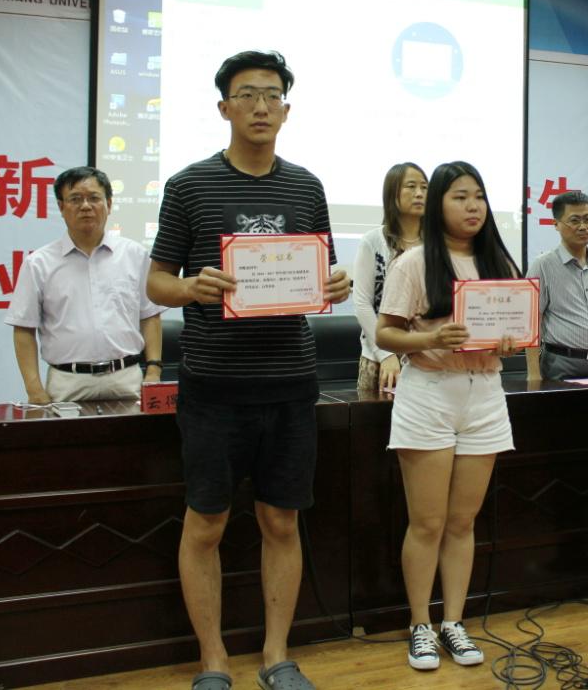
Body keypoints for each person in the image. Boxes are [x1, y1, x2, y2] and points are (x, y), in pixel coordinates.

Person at [147, 50, 350, 690]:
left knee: (281, 521)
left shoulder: (306, 187)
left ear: (286, 110)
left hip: (290, 382)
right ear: (224, 107)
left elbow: (322, 273)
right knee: (206, 523)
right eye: (247, 95)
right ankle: (213, 660)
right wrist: (191, 288)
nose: (261, 106)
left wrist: (337, 285)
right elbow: (156, 281)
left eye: (271, 95)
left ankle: (275, 655)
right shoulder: (189, 185)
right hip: (214, 386)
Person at [375, 161, 520, 671]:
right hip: (429, 393)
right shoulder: (413, 263)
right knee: (428, 522)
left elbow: (516, 329)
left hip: (485, 394)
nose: (472, 206)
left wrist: (510, 341)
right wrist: (431, 338)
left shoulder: (500, 261)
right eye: (460, 196)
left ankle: (453, 622)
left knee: (461, 522)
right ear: (438, 203)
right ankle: (420, 624)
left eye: (478, 196)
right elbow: (385, 333)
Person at [6, 165, 165, 403]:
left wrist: (153, 370)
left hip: (126, 377)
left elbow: (150, 315)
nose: (86, 206)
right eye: (75, 199)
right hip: (67, 381)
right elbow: (23, 329)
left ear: (109, 204)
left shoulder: (134, 255)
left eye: (94, 198)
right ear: (61, 207)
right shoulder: (38, 263)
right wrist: (34, 389)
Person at [524, 190, 588, 381]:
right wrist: (533, 373)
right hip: (561, 362)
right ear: (556, 224)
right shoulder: (543, 265)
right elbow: (532, 322)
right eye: (575, 220)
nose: (583, 227)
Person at [352, 162, 428, 392]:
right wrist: (385, 353)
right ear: (392, 194)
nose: (419, 193)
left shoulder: (438, 245)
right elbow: (362, 303)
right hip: (380, 360)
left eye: (424, 187)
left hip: (428, 361)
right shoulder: (373, 241)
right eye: (411, 186)